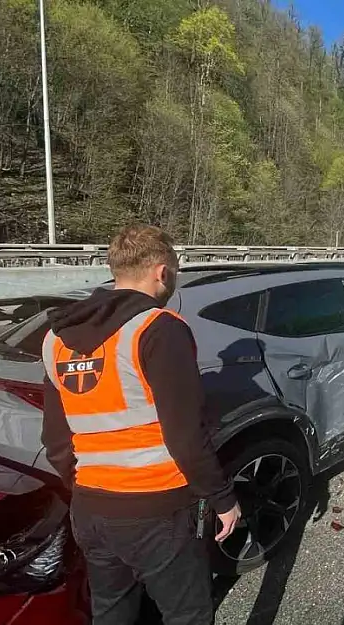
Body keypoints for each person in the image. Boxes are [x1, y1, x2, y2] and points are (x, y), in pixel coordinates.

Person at [41, 224, 241, 625]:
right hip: (156, 508)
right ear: (162, 272)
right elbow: (185, 436)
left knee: (112, 612)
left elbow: (56, 439)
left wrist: (85, 487)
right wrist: (223, 498)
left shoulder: (55, 339)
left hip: (91, 508)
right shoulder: (158, 329)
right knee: (188, 614)